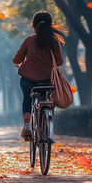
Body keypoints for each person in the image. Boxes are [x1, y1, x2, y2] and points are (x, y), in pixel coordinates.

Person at [13, 11, 64, 141]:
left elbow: (16, 59)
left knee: (27, 97)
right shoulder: (54, 41)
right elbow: (59, 62)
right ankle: (48, 120)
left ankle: (27, 125)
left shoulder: (29, 40)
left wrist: (22, 63)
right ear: (50, 25)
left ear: (34, 26)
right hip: (48, 80)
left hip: (28, 80)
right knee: (49, 98)